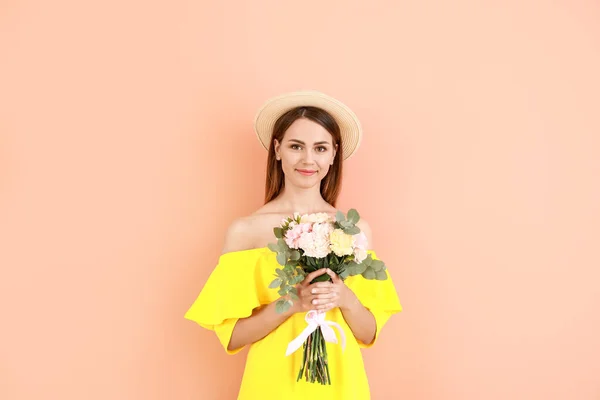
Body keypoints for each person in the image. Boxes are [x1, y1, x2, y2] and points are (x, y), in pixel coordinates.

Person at [184, 90, 402, 399]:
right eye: (296, 146)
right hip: (272, 384)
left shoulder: (353, 231)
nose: (308, 159)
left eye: (320, 148)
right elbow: (232, 337)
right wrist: (292, 304)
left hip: (341, 385)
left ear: (333, 154)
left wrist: (344, 297)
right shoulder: (245, 231)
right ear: (277, 150)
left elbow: (368, 333)